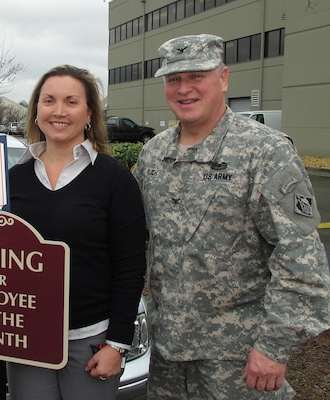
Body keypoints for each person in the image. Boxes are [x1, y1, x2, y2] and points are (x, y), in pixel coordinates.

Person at [133, 34, 330, 399]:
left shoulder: (265, 152)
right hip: (167, 355)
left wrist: (274, 347)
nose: (184, 89)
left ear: (223, 78)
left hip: (237, 361)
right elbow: (126, 233)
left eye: (197, 76)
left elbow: (301, 262)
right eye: (174, 79)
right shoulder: (154, 155)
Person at [0, 64, 146, 399]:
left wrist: (117, 345)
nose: (59, 111)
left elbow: (131, 265)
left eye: (71, 101)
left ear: (89, 112)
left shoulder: (114, 179)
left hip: (90, 341)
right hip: (25, 337)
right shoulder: (10, 179)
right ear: (36, 111)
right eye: (49, 101)